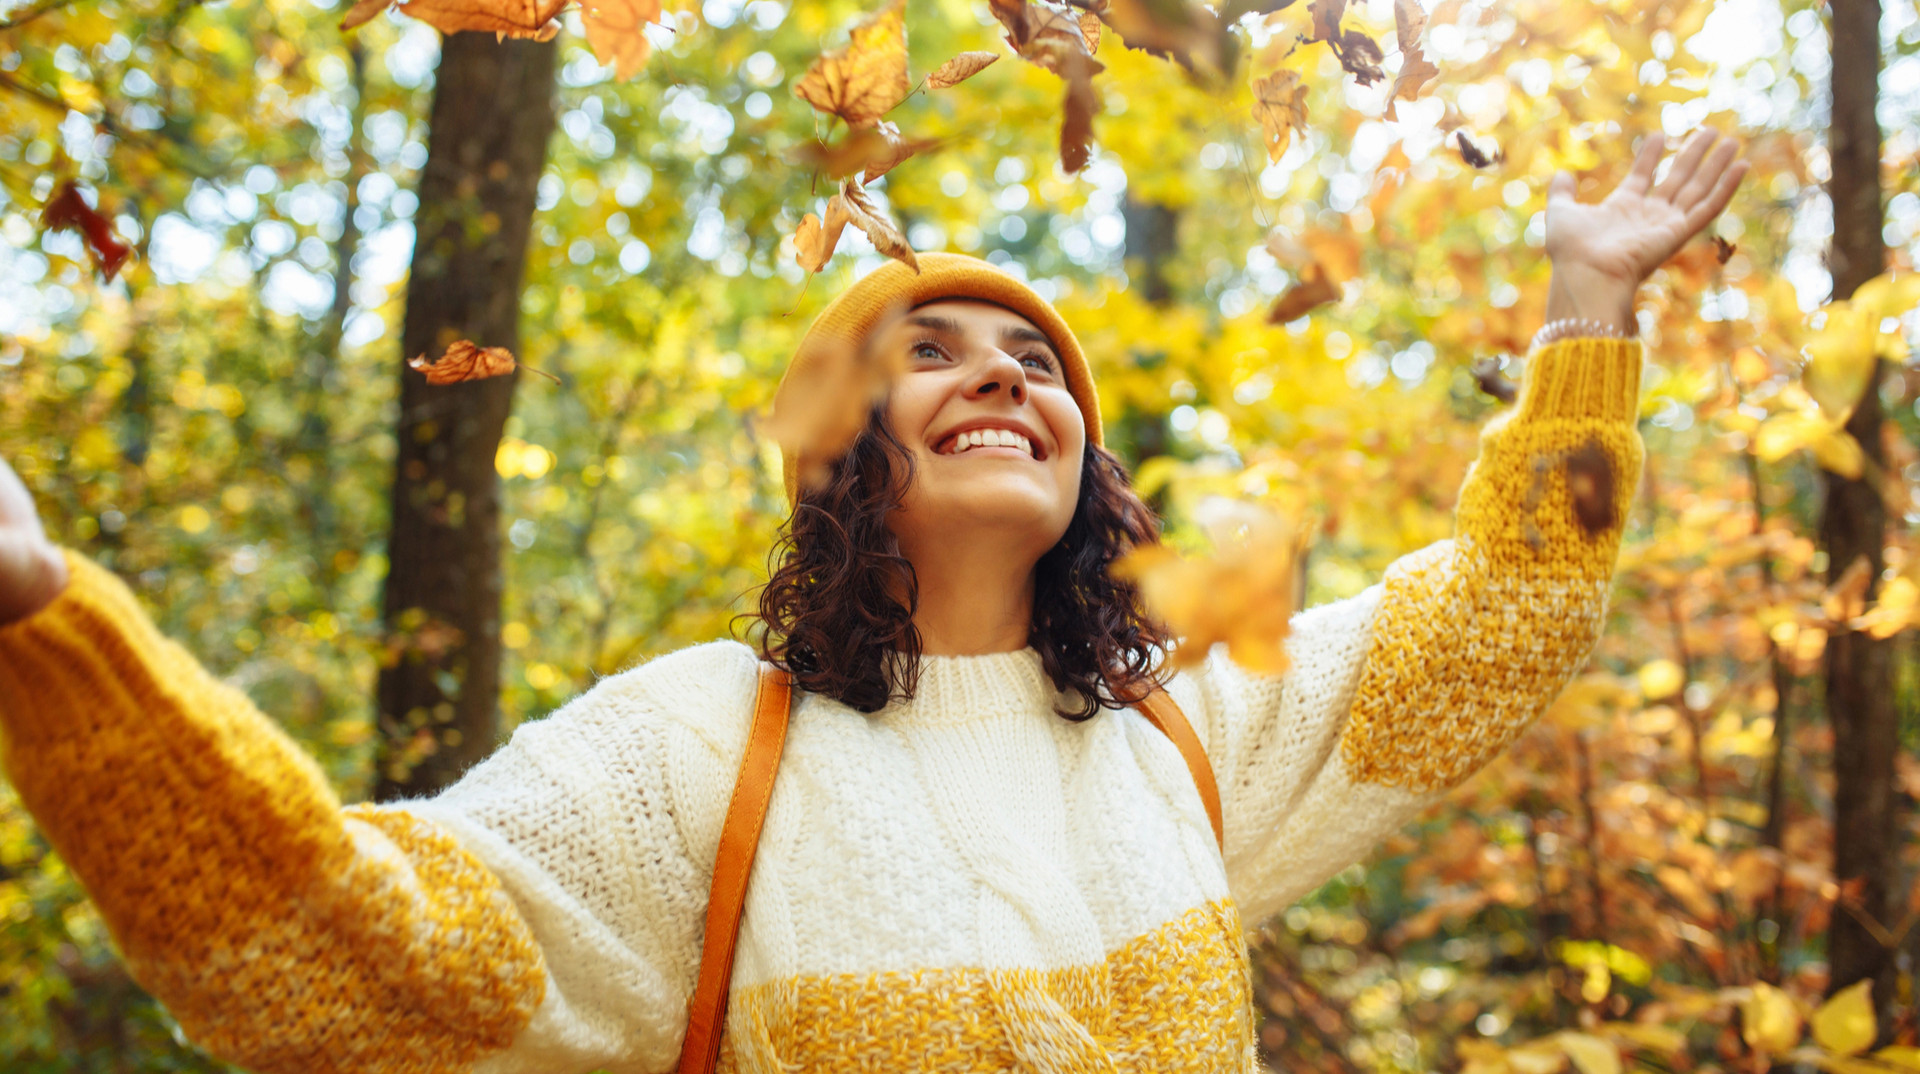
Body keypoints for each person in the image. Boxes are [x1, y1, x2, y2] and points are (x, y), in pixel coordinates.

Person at [0, 129, 1747, 1074]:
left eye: (1035, 362)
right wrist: (47, 625)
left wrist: (1589, 305)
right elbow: (342, 962)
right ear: (841, 447)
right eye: (931, 351)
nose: (1002, 376)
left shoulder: (1183, 731)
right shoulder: (701, 748)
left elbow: (1501, 620)